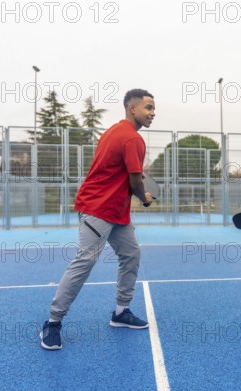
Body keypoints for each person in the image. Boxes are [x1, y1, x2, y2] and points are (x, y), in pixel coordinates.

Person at [40, 89, 156, 350]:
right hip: (97, 208)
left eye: (153, 108)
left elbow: (123, 175)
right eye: (148, 107)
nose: (153, 113)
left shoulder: (114, 131)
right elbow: (135, 180)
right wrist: (145, 197)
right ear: (132, 108)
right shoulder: (132, 139)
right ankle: (53, 322)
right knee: (86, 260)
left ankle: (120, 312)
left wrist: (137, 192)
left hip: (116, 211)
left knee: (131, 254)